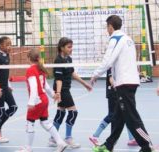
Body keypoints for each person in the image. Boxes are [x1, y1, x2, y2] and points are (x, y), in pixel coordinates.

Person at [90, 15, 154, 152]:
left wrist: (95, 74)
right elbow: (120, 61)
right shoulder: (128, 39)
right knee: (118, 116)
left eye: (107, 28)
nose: (107, 30)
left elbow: (108, 60)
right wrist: (113, 77)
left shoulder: (115, 38)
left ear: (110, 27)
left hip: (124, 84)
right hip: (129, 81)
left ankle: (147, 145)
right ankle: (108, 145)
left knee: (131, 117)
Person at [16, 49, 67, 152]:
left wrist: (31, 102)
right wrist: (53, 95)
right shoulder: (40, 69)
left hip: (37, 100)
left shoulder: (31, 70)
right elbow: (46, 86)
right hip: (44, 99)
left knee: (30, 123)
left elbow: (34, 87)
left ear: (29, 58)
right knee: (45, 122)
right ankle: (60, 142)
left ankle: (28, 148)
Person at [49, 37, 92, 149]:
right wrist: (58, 92)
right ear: (61, 48)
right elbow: (58, 79)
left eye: (71, 46)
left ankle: (53, 138)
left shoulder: (68, 59)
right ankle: (68, 137)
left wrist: (85, 84)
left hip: (65, 89)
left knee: (61, 113)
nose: (71, 49)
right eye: (69, 47)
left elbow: (73, 74)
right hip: (62, 90)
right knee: (73, 112)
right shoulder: (58, 60)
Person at [89, 69, 138, 146]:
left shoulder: (119, 65)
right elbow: (111, 79)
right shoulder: (112, 65)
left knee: (126, 115)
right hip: (113, 94)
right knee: (112, 115)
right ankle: (95, 136)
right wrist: (118, 89)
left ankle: (131, 139)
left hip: (118, 93)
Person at [0, 36, 18, 143]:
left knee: (13, 107)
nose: (10, 47)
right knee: (0, 110)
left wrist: (9, 85)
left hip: (5, 87)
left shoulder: (7, 56)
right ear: (1, 46)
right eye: (7, 45)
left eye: (10, 44)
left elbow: (4, 74)